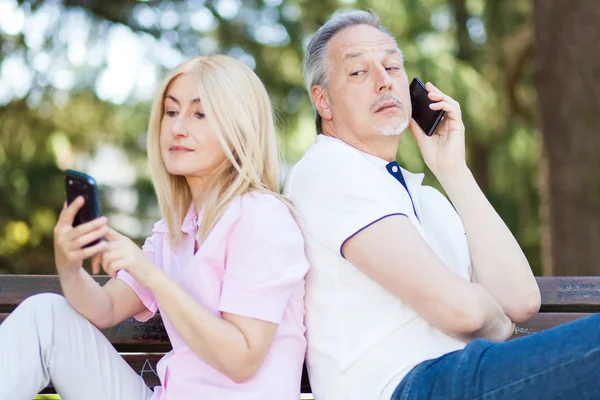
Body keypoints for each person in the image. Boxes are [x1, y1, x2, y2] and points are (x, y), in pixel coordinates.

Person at [285, 9, 600, 400]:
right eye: (358, 72)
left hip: (466, 377)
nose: (384, 82)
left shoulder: (427, 197)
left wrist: (453, 171)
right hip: (402, 387)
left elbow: (520, 299)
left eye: (392, 66)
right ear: (323, 101)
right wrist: (495, 323)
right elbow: (464, 313)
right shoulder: (327, 169)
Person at [0, 54, 309, 400]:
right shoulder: (175, 230)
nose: (178, 127)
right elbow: (106, 308)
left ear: (240, 128)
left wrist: (152, 275)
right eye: (171, 111)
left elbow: (242, 359)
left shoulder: (262, 218)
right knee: (47, 317)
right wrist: (69, 265)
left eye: (200, 113)